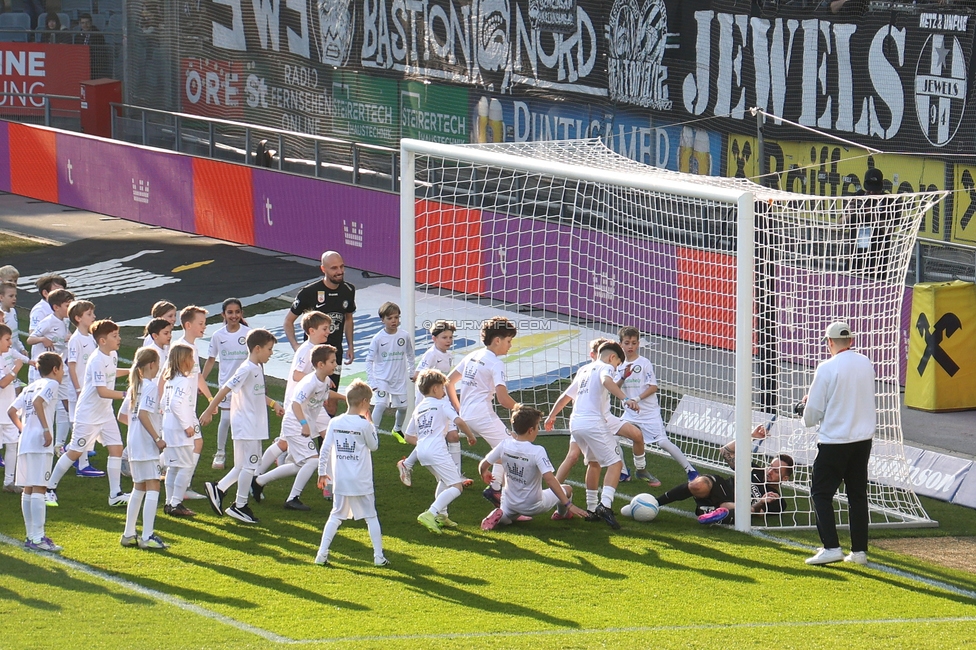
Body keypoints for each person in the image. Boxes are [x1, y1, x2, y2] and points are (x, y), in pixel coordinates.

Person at [802, 321, 876, 566]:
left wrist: (805, 410)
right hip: (862, 440)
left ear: (830, 342)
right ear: (851, 341)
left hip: (835, 440)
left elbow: (813, 411)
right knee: (857, 495)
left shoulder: (827, 367)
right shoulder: (865, 363)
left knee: (821, 494)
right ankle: (859, 552)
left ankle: (831, 546)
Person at [547, 337, 657, 487]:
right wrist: (626, 399)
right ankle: (554, 490)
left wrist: (623, 377)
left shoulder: (600, 370)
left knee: (636, 435)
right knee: (578, 457)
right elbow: (571, 396)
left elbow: (609, 385)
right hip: (589, 420)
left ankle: (641, 469)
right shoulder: (595, 369)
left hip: (603, 418)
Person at [550, 341, 634, 529]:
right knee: (615, 463)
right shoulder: (606, 367)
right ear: (613, 357)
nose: (615, 368)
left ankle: (591, 508)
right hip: (593, 423)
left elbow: (566, 395)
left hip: (575, 424)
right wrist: (625, 399)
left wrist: (552, 415)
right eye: (617, 364)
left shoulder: (584, 369)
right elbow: (606, 381)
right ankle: (605, 505)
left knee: (594, 462)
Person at [201, 329, 281, 524]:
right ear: (257, 348)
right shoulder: (246, 369)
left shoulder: (256, 368)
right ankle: (240, 505)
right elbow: (225, 388)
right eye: (269, 349)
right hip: (247, 425)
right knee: (250, 466)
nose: (271, 353)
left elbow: (256, 393)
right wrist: (209, 409)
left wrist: (273, 404)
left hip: (250, 424)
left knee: (241, 466)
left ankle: (218, 489)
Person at [46, 320, 128, 507]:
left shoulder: (112, 355)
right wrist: (127, 394)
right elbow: (102, 391)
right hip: (89, 414)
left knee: (116, 448)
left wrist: (133, 371)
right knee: (75, 451)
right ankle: (49, 488)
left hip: (105, 412)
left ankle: (115, 494)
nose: (119, 339)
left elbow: (113, 372)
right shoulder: (97, 359)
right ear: (102, 340)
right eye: (114, 336)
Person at [251, 344, 342, 510]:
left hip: (299, 425)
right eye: (332, 361)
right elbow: (295, 404)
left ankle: (259, 481)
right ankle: (292, 498)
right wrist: (304, 424)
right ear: (321, 364)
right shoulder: (310, 382)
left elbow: (325, 394)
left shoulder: (323, 380)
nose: (335, 365)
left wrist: (346, 398)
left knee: (299, 465)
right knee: (313, 461)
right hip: (295, 425)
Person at [655, 424, 795, 524]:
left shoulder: (779, 501)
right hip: (720, 487)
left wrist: (763, 501)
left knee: (738, 508)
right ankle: (655, 503)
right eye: (770, 466)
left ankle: (711, 512)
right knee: (698, 485)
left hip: (734, 505)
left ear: (785, 478)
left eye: (776, 471)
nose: (769, 471)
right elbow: (725, 452)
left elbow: (758, 513)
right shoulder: (755, 470)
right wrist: (751, 437)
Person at [314, 379, 388, 567]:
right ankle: (378, 557)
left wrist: (322, 472)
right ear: (363, 402)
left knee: (336, 515)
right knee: (371, 516)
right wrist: (371, 424)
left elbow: (325, 449)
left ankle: (321, 554)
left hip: (341, 479)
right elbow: (374, 446)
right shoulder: (364, 425)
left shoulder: (335, 422)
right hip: (361, 479)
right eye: (369, 402)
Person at [446, 316, 518, 507]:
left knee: (504, 449)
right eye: (508, 341)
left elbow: (448, 381)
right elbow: (503, 399)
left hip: (467, 415)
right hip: (482, 415)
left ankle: (495, 489)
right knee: (512, 450)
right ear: (497, 340)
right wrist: (519, 407)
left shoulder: (473, 355)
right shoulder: (496, 363)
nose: (510, 346)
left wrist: (458, 408)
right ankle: (502, 494)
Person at [480, 406, 588, 530]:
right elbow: (550, 480)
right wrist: (568, 504)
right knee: (567, 489)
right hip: (532, 505)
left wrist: (484, 473)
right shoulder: (537, 451)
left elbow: (483, 464)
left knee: (507, 518)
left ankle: (498, 515)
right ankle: (561, 514)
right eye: (537, 426)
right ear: (531, 430)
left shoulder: (504, 444)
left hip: (510, 501)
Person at [254, 311, 332, 480]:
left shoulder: (317, 350)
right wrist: (320, 380)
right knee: (283, 443)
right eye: (325, 328)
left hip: (312, 404)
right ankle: (257, 474)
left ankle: (329, 478)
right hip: (298, 404)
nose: (328, 332)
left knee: (329, 434)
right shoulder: (306, 350)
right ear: (311, 331)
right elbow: (297, 375)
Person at [617, 327, 699, 481]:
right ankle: (623, 472)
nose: (630, 346)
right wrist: (622, 377)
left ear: (638, 344)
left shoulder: (644, 363)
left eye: (634, 343)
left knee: (662, 442)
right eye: (627, 343)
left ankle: (690, 470)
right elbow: (615, 387)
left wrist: (637, 399)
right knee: (613, 437)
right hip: (630, 414)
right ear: (620, 344)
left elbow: (653, 387)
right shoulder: (619, 365)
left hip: (648, 412)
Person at [406, 369, 474, 533]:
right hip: (437, 450)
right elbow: (458, 420)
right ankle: (431, 513)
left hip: (422, 452)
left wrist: (424, 443)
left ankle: (441, 516)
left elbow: (408, 436)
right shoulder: (442, 404)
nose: (444, 392)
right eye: (442, 388)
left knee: (444, 481)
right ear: (435, 389)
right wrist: (471, 436)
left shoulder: (419, 408)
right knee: (457, 486)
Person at [9, 352, 64, 553]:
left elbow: (11, 411)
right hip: (40, 441)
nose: (63, 373)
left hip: (26, 441)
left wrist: (24, 430)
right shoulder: (51, 385)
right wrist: (46, 430)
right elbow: (40, 403)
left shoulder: (30, 387)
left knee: (29, 488)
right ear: (55, 369)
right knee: (40, 487)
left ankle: (31, 536)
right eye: (62, 368)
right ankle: (38, 537)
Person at [397, 319, 459, 487]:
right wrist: (432, 384)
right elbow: (417, 375)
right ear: (434, 338)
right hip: (429, 402)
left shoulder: (449, 355)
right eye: (444, 337)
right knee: (432, 438)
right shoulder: (431, 354)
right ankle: (407, 464)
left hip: (441, 399)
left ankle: (456, 474)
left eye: (450, 337)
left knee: (453, 436)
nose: (448, 340)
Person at [117, 347, 168, 549]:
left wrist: (138, 431)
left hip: (134, 444)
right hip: (147, 445)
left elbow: (123, 416)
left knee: (139, 487)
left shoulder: (134, 388)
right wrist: (157, 437)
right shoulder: (150, 387)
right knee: (154, 485)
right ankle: (147, 536)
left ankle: (129, 534)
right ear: (151, 365)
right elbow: (144, 414)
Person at [284, 251, 356, 391]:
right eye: (334, 268)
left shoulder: (348, 290)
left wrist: (350, 346)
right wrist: (295, 345)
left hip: (335, 353)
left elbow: (348, 318)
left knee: (331, 399)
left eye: (341, 267)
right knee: (313, 394)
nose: (340, 271)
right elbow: (288, 321)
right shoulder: (309, 292)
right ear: (323, 269)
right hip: (314, 355)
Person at [201, 298, 250, 470]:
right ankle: (220, 452)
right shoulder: (218, 336)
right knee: (226, 418)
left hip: (245, 385)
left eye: (237, 312)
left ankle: (244, 454)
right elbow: (211, 360)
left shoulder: (248, 333)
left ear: (241, 313)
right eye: (230, 312)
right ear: (224, 314)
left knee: (244, 420)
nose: (234, 315)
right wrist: (202, 380)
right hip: (226, 385)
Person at [170, 305, 213, 501]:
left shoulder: (192, 348)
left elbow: (198, 377)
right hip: (181, 408)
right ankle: (182, 488)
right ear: (188, 325)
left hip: (187, 407)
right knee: (193, 445)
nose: (204, 327)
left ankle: (178, 490)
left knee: (192, 446)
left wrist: (211, 400)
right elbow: (165, 377)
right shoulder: (180, 348)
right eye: (201, 323)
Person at [26, 288, 74, 453]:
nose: (71, 307)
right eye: (68, 305)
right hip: (46, 372)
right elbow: (30, 339)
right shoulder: (48, 321)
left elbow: (64, 337)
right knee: (46, 405)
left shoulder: (65, 321)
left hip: (60, 369)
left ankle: (60, 445)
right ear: (56, 307)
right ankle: (37, 437)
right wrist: (43, 339)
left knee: (68, 405)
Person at [160, 344, 201, 518]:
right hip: (179, 430)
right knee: (186, 465)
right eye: (191, 358)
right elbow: (175, 404)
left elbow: (163, 403)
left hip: (168, 428)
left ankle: (169, 502)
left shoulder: (170, 381)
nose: (193, 361)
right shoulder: (183, 381)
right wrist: (187, 425)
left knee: (173, 467)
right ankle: (176, 502)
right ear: (184, 360)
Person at [365, 302, 413, 440]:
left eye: (396, 317)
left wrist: (411, 371)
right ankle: (372, 432)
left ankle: (397, 429)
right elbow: (369, 360)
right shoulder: (378, 338)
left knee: (403, 408)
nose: (394, 321)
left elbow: (410, 354)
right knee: (380, 404)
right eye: (390, 318)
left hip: (399, 379)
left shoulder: (404, 336)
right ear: (382, 320)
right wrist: (372, 380)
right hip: (382, 378)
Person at [841, 167, 899, 280]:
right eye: (869, 191)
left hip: (877, 258)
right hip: (855, 255)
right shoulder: (857, 197)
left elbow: (891, 229)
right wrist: (849, 214)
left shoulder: (890, 202)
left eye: (875, 190)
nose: (872, 193)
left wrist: (873, 215)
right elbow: (839, 225)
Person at [0, 324, 25, 492]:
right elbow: (3, 383)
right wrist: (16, 369)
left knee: (13, 445)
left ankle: (9, 482)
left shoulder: (5, 355)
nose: (10, 343)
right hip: (2, 411)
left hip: (7, 411)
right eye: (7, 339)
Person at [74, 13, 110, 79]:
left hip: (94, 65)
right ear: (80, 24)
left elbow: (101, 54)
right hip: (81, 64)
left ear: (91, 23)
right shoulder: (77, 36)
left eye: (87, 22)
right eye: (83, 23)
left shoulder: (98, 35)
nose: (85, 25)